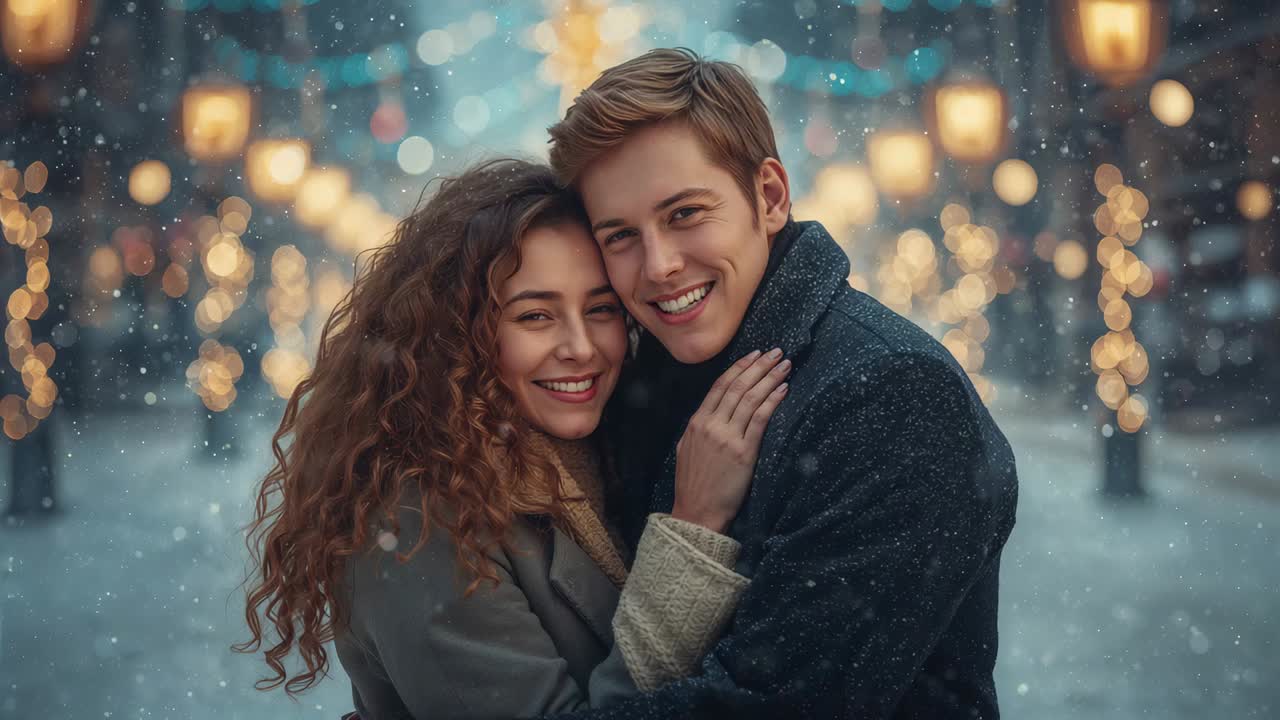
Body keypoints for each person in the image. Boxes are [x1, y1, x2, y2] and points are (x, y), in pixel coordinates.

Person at [541, 48, 1020, 718]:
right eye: (620, 237)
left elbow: (768, 705)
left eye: (684, 214)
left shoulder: (891, 393)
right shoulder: (638, 379)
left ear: (768, 196)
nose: (659, 265)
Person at [235, 159, 792, 718]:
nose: (582, 347)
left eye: (600, 309)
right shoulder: (417, 518)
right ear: (458, 334)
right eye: (535, 317)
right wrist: (693, 530)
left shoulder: (599, 452)